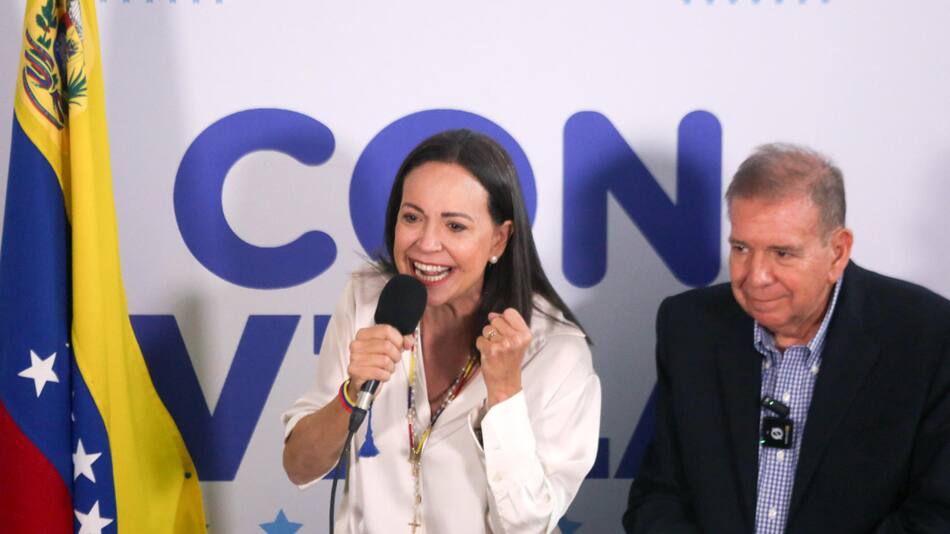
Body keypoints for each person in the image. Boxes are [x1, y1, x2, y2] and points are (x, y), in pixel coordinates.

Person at [282, 129, 601, 533]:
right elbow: (298, 467)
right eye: (412, 218)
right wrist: (350, 394)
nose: (427, 244)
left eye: (455, 227)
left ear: (499, 239)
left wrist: (504, 394)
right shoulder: (366, 300)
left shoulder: (557, 351)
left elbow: (527, 525)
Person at [623, 143, 950, 533]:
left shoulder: (925, 335)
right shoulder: (690, 328)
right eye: (741, 248)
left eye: (782, 253)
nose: (755, 276)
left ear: (837, 252)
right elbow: (657, 498)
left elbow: (937, 514)